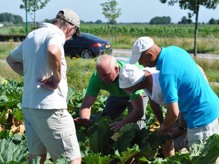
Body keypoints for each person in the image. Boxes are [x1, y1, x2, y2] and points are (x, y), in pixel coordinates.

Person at [129, 37, 219, 163]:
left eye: (140, 61)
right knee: (210, 156)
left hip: (200, 116)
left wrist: (164, 126)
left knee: (204, 159)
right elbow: (192, 80)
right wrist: (180, 127)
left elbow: (173, 112)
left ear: (149, 55)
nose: (141, 65)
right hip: (207, 108)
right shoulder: (174, 50)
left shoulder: (166, 74)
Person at [6, 9, 81, 164]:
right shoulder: (57, 34)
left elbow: (11, 60)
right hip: (50, 107)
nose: (71, 37)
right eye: (73, 33)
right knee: (72, 159)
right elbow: (52, 51)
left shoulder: (33, 35)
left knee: (37, 157)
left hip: (29, 106)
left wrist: (30, 76)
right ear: (70, 27)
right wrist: (56, 78)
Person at [119, 64, 208, 156]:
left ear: (135, 83)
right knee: (166, 139)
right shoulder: (144, 80)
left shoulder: (162, 82)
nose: (125, 90)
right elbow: (153, 102)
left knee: (186, 144)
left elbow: (178, 109)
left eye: (127, 87)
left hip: (192, 106)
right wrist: (162, 124)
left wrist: (180, 127)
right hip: (178, 108)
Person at [76, 54, 148, 131]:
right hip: (117, 94)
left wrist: (123, 123)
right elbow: (86, 104)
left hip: (137, 91)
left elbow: (138, 111)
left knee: (136, 126)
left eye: (107, 75)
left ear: (116, 69)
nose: (103, 79)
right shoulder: (97, 77)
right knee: (106, 120)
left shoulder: (129, 76)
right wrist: (85, 119)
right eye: (101, 75)